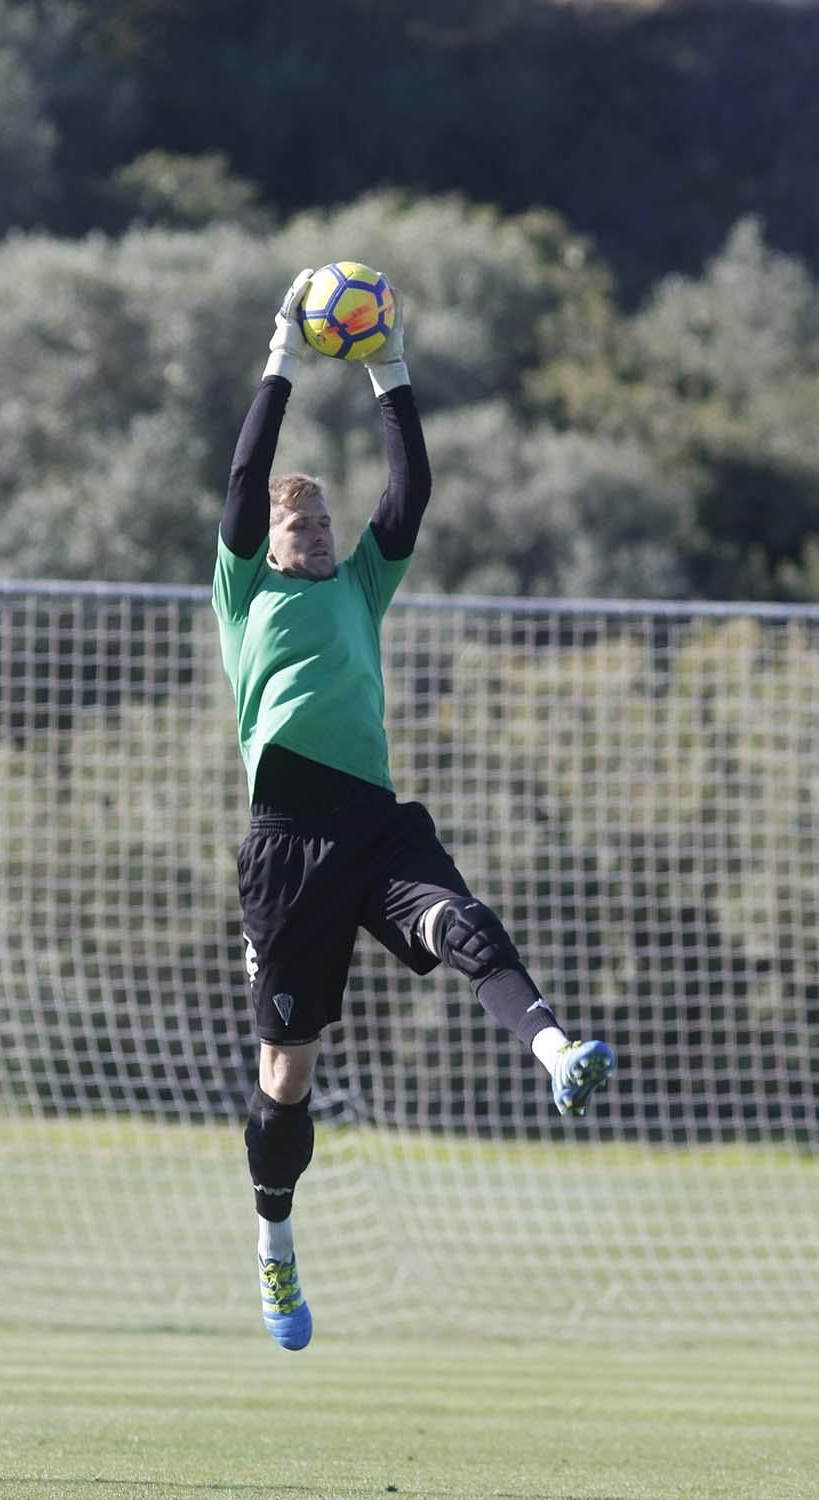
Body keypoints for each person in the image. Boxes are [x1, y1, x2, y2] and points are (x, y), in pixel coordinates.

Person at [211, 268, 615, 1352]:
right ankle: (276, 1251)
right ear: (270, 546)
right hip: (286, 849)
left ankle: (557, 1054)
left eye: (329, 525)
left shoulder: (357, 589)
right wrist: (283, 355)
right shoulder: (247, 590)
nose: (324, 538)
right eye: (305, 531)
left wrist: (389, 366)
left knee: (465, 923)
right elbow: (248, 474)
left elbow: (412, 493)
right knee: (286, 1080)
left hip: (376, 823)